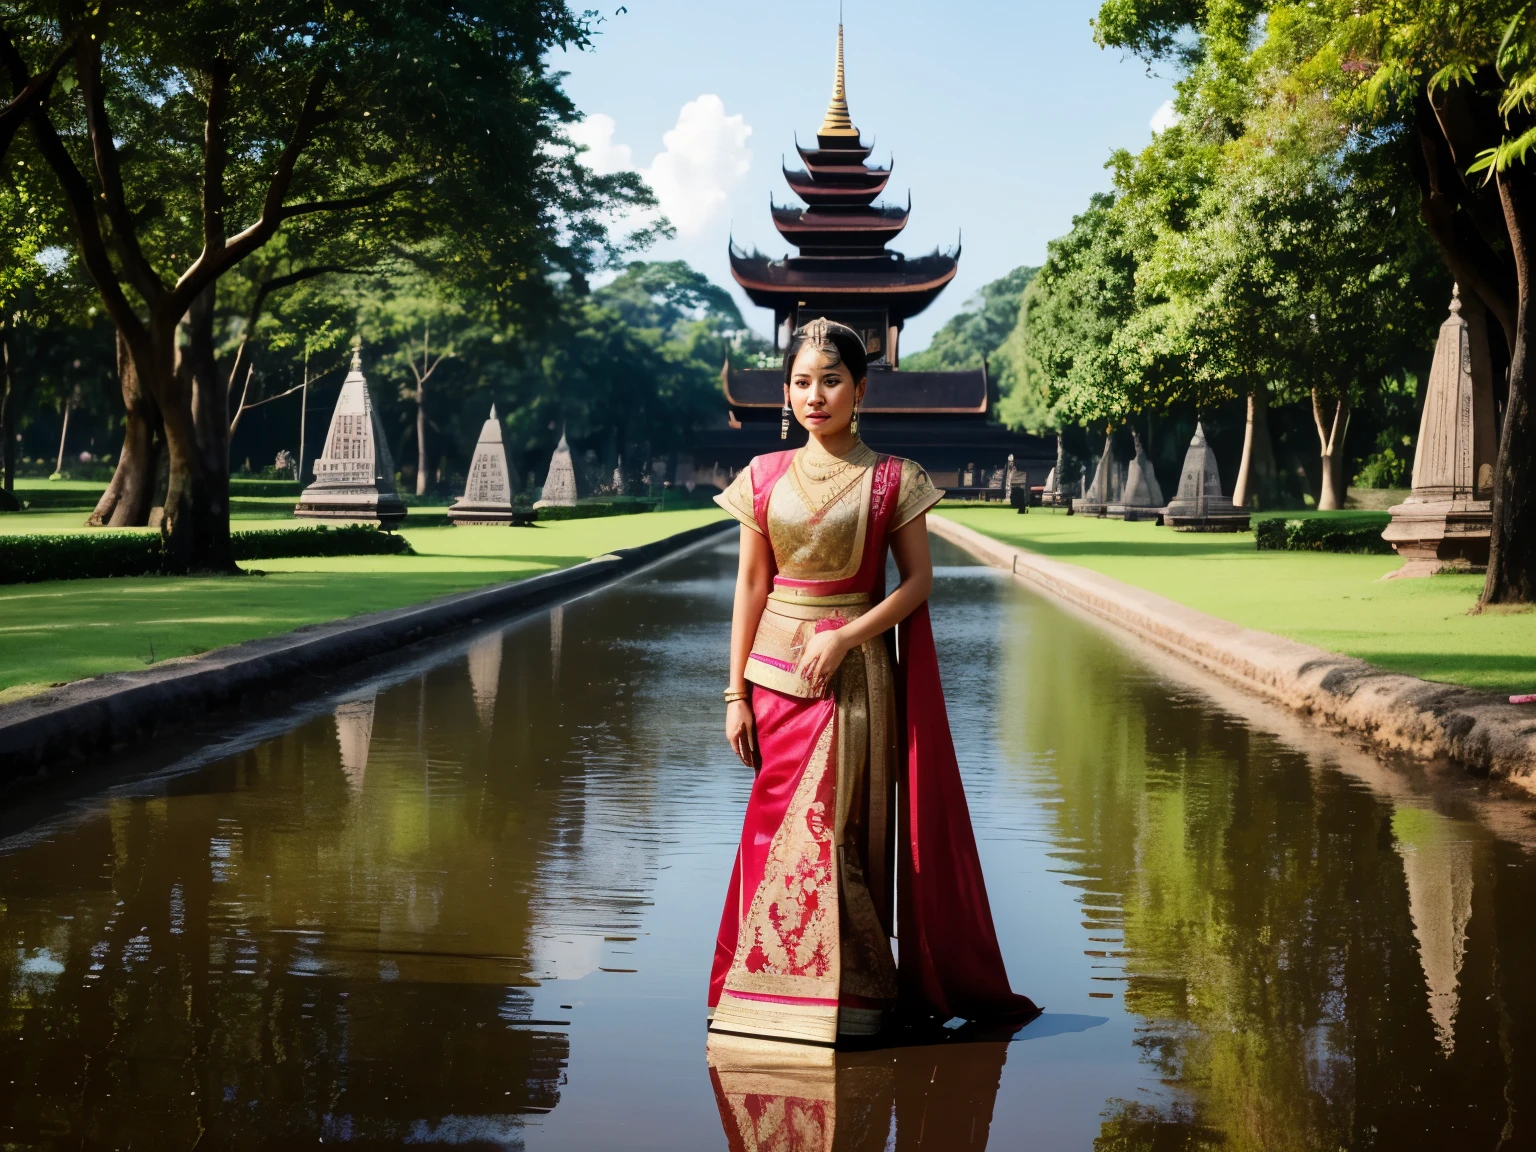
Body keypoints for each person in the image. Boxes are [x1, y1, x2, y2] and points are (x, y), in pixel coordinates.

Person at [707, 317, 1037, 1045]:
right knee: (772, 824)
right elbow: (751, 586)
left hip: (854, 679)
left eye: (831, 381)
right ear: (785, 392)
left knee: (835, 829)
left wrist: (846, 637)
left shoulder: (895, 478)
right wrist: (734, 695)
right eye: (801, 382)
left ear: (859, 390)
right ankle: (764, 984)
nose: (814, 396)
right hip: (772, 680)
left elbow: (918, 583)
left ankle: (852, 995)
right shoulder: (762, 476)